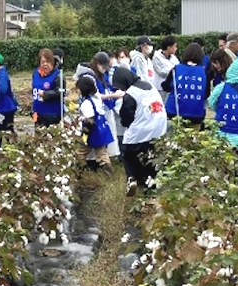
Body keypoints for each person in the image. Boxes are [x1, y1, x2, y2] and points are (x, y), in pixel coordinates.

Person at [113, 66, 167, 195]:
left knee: (128, 153)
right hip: (159, 128)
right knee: (151, 157)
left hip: (142, 131)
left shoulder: (130, 94)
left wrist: (124, 123)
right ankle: (151, 183)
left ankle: (132, 179)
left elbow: (126, 118)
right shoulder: (149, 85)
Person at [161, 42, 207, 125]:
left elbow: (166, 87)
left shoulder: (176, 69)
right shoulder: (204, 71)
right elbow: (206, 93)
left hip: (175, 111)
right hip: (196, 113)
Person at [76, 75, 114, 172]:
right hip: (102, 129)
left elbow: (90, 120)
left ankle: (81, 170)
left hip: (92, 132)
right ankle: (109, 173)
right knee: (102, 155)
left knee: (81, 152)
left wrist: (85, 134)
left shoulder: (86, 103)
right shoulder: (97, 98)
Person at [32, 48, 63, 127]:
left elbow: (60, 92)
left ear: (52, 62)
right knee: (38, 138)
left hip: (52, 114)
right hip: (38, 113)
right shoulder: (36, 73)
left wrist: (45, 94)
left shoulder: (58, 75)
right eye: (43, 62)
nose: (45, 64)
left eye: (47, 62)